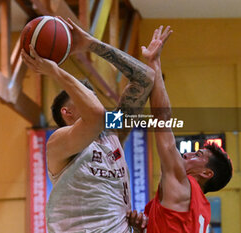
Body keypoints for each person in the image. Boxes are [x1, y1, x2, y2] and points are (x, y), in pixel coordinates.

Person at [21, 17, 155, 233]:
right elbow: (95, 114)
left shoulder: (111, 132)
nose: (94, 100)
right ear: (67, 112)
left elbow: (146, 78)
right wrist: (56, 72)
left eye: (93, 96)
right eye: (85, 96)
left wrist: (91, 44)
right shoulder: (59, 141)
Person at [128, 26, 233, 232]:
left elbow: (162, 119)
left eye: (198, 154)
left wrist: (154, 63)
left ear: (207, 173)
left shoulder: (184, 186)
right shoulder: (200, 209)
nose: (187, 153)